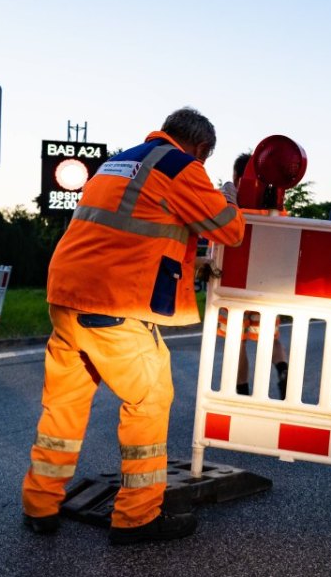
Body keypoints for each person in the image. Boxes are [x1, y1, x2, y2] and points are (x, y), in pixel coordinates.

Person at [21, 107, 245, 544]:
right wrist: (231, 197)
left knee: (63, 407)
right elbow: (228, 230)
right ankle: (137, 517)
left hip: (66, 297)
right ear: (200, 149)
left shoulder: (119, 161)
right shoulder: (181, 166)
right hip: (113, 303)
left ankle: (40, 504)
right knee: (149, 399)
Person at [215, 152, 290, 398]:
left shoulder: (230, 207)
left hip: (232, 286)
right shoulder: (276, 211)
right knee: (272, 338)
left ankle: (242, 391)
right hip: (266, 287)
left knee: (238, 342)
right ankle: (282, 369)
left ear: (237, 176)